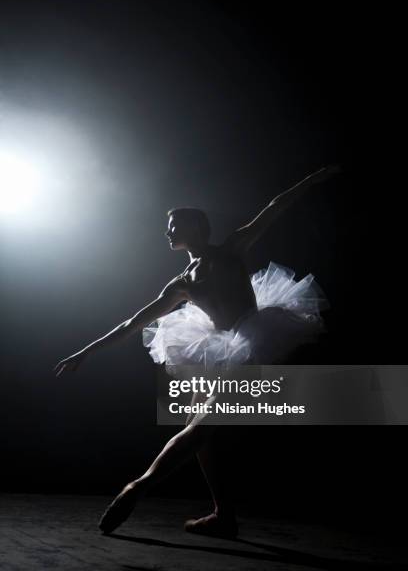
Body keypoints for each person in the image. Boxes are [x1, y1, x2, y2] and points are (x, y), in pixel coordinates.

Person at [53, 165, 338, 538]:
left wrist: (312, 179)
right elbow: (131, 324)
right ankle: (224, 515)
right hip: (215, 352)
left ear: (197, 228)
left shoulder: (233, 248)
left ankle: (138, 486)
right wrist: (85, 352)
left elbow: (275, 206)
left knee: (202, 430)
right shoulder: (180, 284)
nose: (168, 231)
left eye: (175, 224)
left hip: (253, 344)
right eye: (168, 225)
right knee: (201, 433)